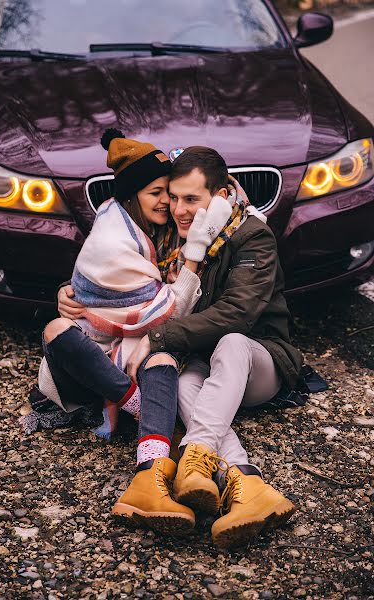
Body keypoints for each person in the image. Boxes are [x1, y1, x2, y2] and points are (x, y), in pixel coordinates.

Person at [22, 131, 232, 534]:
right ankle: (138, 403)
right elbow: (165, 309)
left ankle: (149, 474)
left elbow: (213, 182)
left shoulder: (143, 225)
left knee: (161, 354)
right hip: (87, 374)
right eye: (156, 192)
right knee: (57, 328)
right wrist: (193, 259)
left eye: (168, 193)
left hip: (127, 352)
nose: (166, 203)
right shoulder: (113, 241)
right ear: (133, 195)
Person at [112, 146, 303, 549]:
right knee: (183, 386)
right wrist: (68, 291)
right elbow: (113, 268)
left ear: (218, 197)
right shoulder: (176, 240)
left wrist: (159, 338)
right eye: (174, 197)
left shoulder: (252, 235)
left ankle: (196, 457)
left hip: (258, 360)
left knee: (232, 342)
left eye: (192, 199)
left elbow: (238, 314)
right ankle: (247, 484)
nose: (179, 209)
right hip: (203, 360)